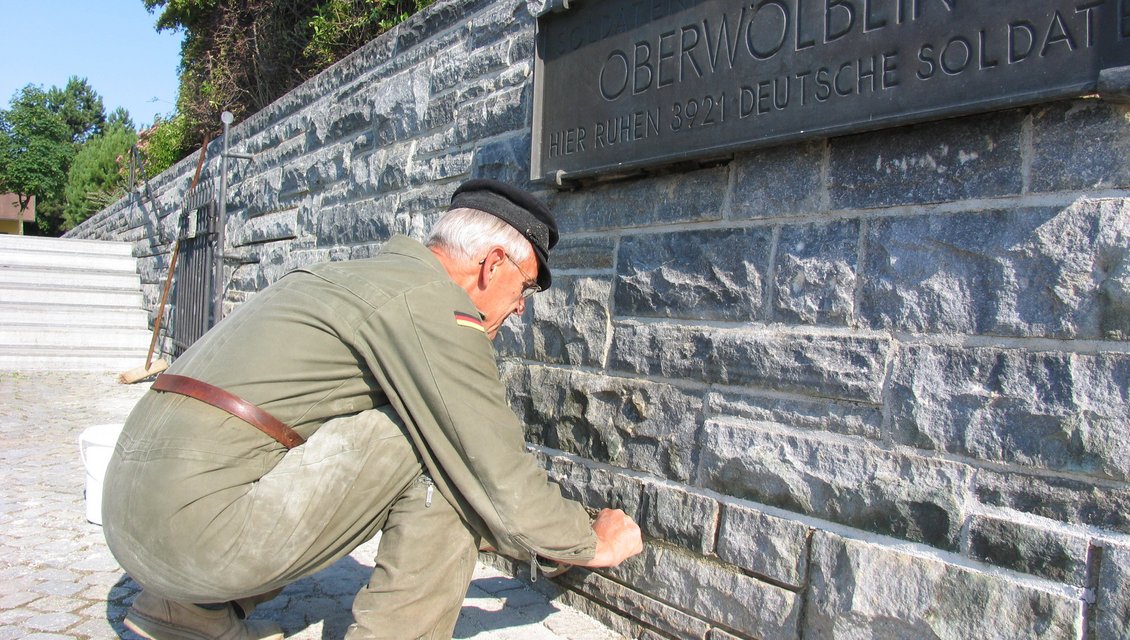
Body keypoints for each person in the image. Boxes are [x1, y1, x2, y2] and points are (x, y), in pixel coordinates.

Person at [102, 178, 643, 640]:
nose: (521, 308)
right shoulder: (433, 305)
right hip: (195, 536)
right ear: (493, 264)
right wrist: (588, 541)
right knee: (441, 446)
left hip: (131, 512)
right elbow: (494, 470)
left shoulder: (350, 276)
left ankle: (185, 613)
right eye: (524, 287)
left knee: (416, 421)